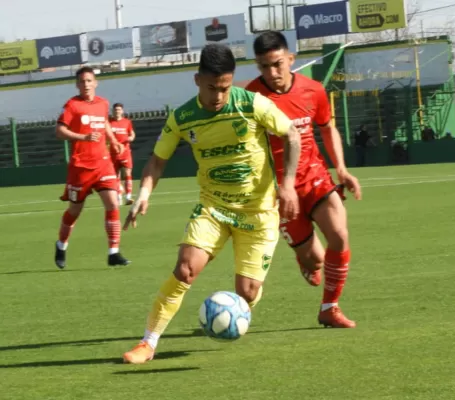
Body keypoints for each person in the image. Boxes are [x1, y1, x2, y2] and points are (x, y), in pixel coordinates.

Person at [121, 43, 301, 364]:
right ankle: (148, 343)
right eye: (211, 87)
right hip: (213, 209)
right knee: (185, 269)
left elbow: (292, 135)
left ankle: (237, 310)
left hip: (259, 214)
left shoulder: (252, 104)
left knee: (246, 292)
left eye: (225, 87)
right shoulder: (183, 117)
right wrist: (144, 194)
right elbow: (158, 161)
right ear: (196, 80)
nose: (219, 96)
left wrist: (287, 186)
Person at [246, 31, 361, 328]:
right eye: (263, 67)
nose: (271, 73)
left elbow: (326, 128)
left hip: (314, 178)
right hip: (278, 191)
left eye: (277, 64)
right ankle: (305, 259)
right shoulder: (251, 98)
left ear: (291, 59)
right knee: (315, 261)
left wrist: (342, 169)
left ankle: (329, 308)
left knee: (339, 233)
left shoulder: (313, 90)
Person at [54, 66, 130, 269]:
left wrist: (113, 140)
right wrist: (83, 137)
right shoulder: (72, 106)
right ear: (77, 85)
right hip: (80, 167)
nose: (86, 85)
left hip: (102, 164)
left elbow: (104, 122)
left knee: (113, 203)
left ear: (95, 83)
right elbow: (60, 131)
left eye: (89, 81)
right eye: (82, 81)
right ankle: (61, 245)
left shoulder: (103, 103)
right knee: (74, 211)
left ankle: (113, 252)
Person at [109, 103, 136, 205]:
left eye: (119, 110)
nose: (117, 111)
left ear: (122, 111)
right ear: (113, 111)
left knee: (127, 174)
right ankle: (119, 196)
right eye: (115, 110)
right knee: (115, 175)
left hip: (125, 153)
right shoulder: (109, 122)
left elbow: (132, 133)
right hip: (113, 153)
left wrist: (131, 138)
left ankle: (128, 196)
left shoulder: (127, 122)